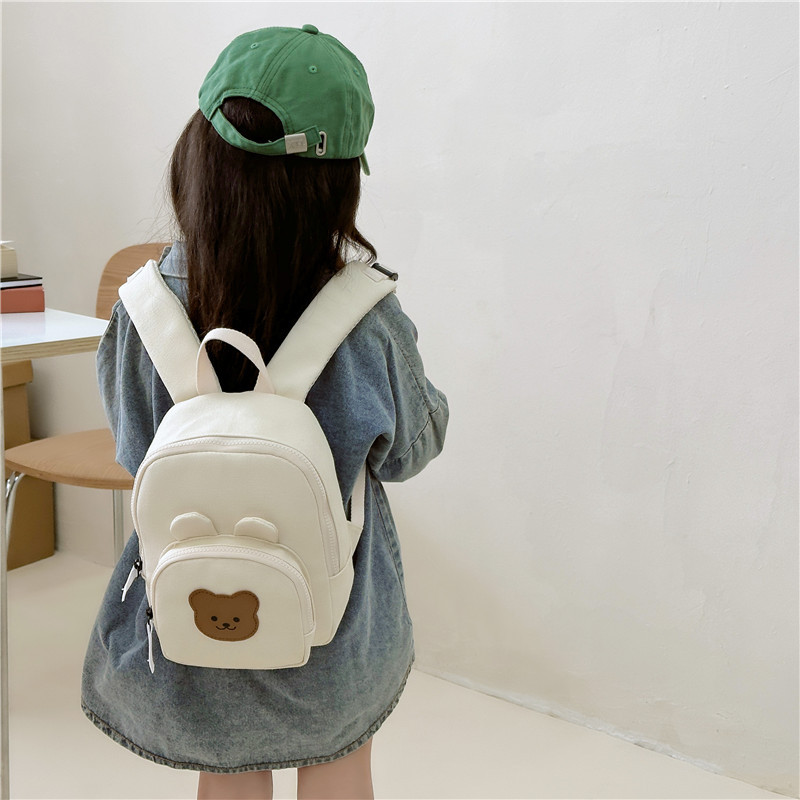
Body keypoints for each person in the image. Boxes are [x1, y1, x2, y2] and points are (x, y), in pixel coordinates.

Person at [80, 23, 448, 800]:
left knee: (228, 773)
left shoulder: (142, 312)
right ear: (338, 184)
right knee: (339, 762)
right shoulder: (365, 319)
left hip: (194, 607)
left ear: (197, 157)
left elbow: (136, 452)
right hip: (336, 619)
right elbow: (412, 449)